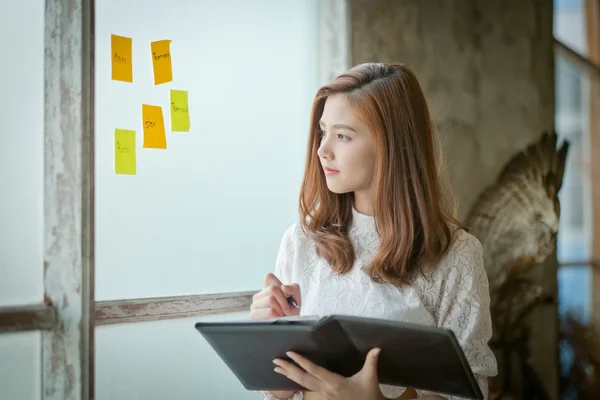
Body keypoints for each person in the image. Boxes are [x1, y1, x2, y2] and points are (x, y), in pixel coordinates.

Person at [250, 62, 498, 400]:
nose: (323, 149)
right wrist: (271, 346)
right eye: (322, 132)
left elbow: (469, 393)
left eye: (343, 135)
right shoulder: (300, 242)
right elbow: (278, 396)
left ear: (391, 144)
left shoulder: (455, 254)